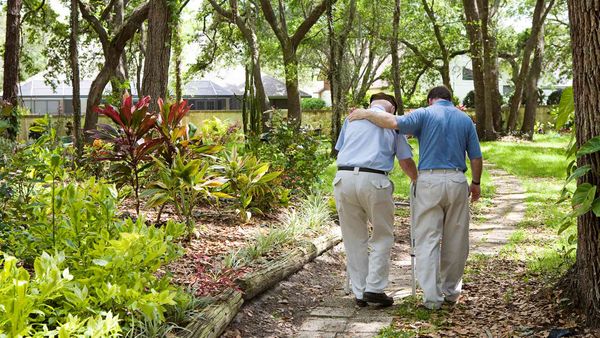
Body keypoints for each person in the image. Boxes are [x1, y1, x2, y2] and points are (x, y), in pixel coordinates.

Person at [348, 86, 483, 310]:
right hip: (458, 180)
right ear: (450, 100)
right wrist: (476, 183)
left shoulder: (424, 113)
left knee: (427, 239)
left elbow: (392, 122)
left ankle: (432, 299)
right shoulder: (465, 119)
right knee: (457, 238)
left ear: (431, 100)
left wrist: (365, 113)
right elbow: (476, 157)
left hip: (429, 180)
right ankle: (451, 292)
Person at [333, 92, 418, 307]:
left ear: (371, 103)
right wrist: (418, 181)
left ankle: (360, 292)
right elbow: (405, 162)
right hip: (374, 180)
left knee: (353, 238)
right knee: (382, 235)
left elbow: (340, 149)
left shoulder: (351, 118)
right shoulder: (392, 123)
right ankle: (374, 288)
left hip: (343, 178)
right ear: (392, 109)